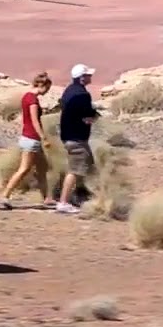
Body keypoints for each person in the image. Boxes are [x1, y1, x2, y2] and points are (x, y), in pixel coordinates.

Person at [0, 72, 56, 208]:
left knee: (42, 169)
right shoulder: (32, 100)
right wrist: (43, 138)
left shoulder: (26, 97)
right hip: (32, 139)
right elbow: (34, 120)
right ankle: (4, 196)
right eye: (48, 88)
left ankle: (47, 198)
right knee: (24, 169)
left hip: (28, 137)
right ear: (43, 85)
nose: (47, 91)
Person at [55, 63, 100, 214]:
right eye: (88, 75)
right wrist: (94, 116)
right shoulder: (82, 95)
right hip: (76, 138)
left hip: (69, 136)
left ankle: (81, 195)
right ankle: (63, 202)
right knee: (75, 170)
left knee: (88, 165)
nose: (90, 77)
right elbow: (88, 117)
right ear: (82, 78)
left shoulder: (68, 91)